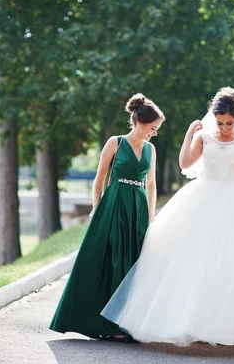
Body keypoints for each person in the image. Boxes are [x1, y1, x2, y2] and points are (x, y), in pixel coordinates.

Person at [101, 87, 234, 350]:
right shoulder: (204, 137)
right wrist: (188, 136)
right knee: (197, 260)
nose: (225, 127)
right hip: (203, 197)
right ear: (213, 118)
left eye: (229, 123)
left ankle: (227, 324)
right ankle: (193, 323)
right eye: (220, 122)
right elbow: (185, 163)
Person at [49, 93, 165, 340]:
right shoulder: (115, 142)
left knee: (133, 261)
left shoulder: (151, 149)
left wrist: (151, 215)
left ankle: (125, 323)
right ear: (141, 123)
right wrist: (96, 207)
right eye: (153, 128)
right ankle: (104, 324)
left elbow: (152, 183)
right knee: (109, 259)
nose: (154, 133)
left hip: (139, 207)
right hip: (113, 204)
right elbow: (100, 178)